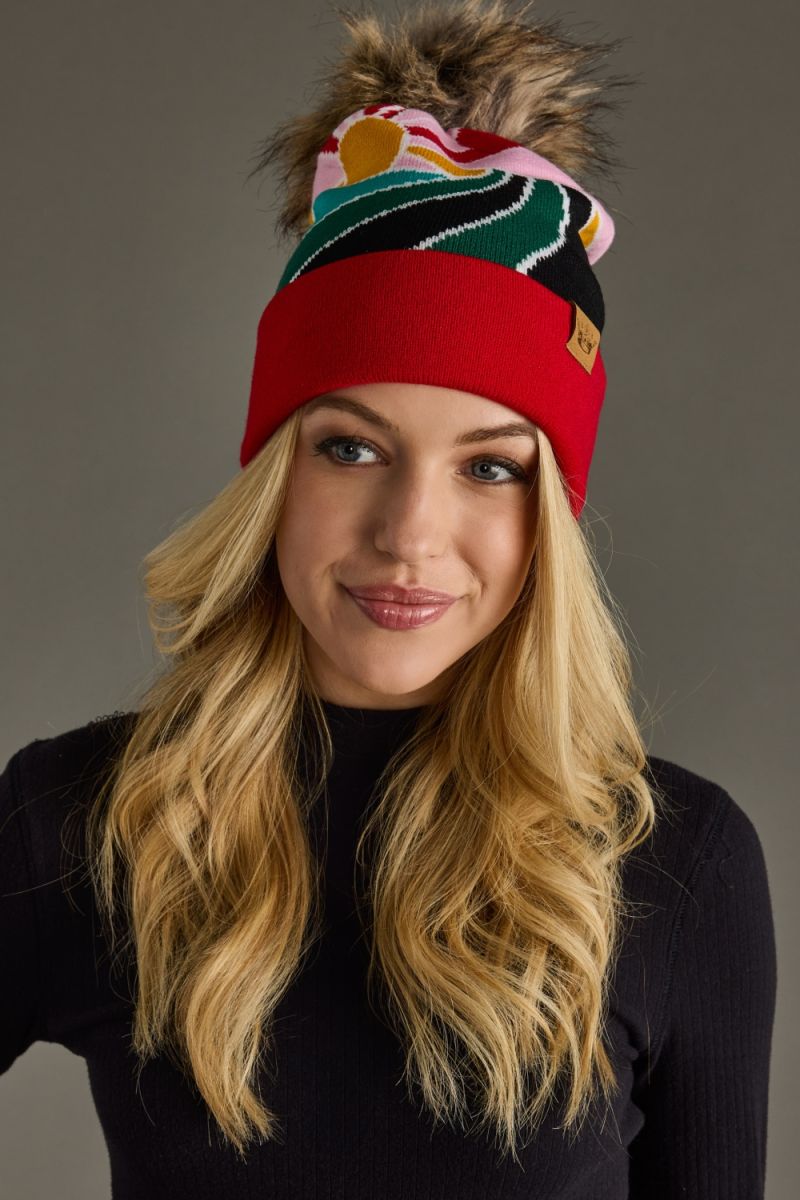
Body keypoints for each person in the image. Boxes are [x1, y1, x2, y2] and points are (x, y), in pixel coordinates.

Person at [0, 1, 777, 1196]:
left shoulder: (676, 865)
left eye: (488, 468)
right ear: (273, 478)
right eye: (351, 448)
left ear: (547, 517)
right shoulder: (81, 821)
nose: (409, 535)